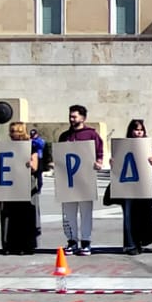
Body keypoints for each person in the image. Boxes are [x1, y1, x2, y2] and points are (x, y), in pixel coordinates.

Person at [57, 105, 104, 255]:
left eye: (74, 116)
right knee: (68, 213)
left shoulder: (91, 135)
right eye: (70, 116)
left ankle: (86, 242)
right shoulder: (64, 136)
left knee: (86, 213)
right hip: (68, 181)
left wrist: (99, 162)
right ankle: (71, 241)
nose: (71, 119)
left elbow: (99, 152)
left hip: (85, 180)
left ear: (83, 118)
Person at [118, 118, 152, 254]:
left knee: (147, 214)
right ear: (131, 131)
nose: (138, 133)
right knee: (130, 215)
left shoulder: (148, 146)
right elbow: (118, 166)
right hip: (128, 186)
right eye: (136, 130)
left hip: (144, 185)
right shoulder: (123, 145)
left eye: (141, 130)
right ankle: (133, 244)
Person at [0, 121, 41, 256]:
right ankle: (9, 245)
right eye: (11, 132)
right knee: (8, 214)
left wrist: (30, 163)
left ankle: (26, 245)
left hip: (26, 183)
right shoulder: (5, 147)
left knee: (25, 215)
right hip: (10, 183)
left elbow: (35, 166)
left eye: (16, 132)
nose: (13, 135)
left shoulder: (31, 147)